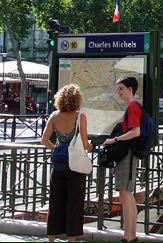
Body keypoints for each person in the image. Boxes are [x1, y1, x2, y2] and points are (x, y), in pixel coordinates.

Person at [41, 84, 93, 242]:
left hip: (58, 165)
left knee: (55, 202)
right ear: (77, 99)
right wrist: (90, 147)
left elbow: (44, 140)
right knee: (74, 203)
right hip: (75, 167)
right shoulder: (80, 117)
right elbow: (85, 145)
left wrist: (56, 148)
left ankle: (51, 238)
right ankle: (71, 239)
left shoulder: (54, 116)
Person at [102, 77, 142, 243]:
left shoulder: (132, 107)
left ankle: (129, 236)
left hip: (127, 155)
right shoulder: (135, 106)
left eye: (121, 89)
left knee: (125, 196)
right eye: (118, 89)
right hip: (129, 155)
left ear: (130, 90)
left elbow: (135, 132)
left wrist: (114, 140)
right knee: (127, 195)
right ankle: (131, 235)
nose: (119, 92)